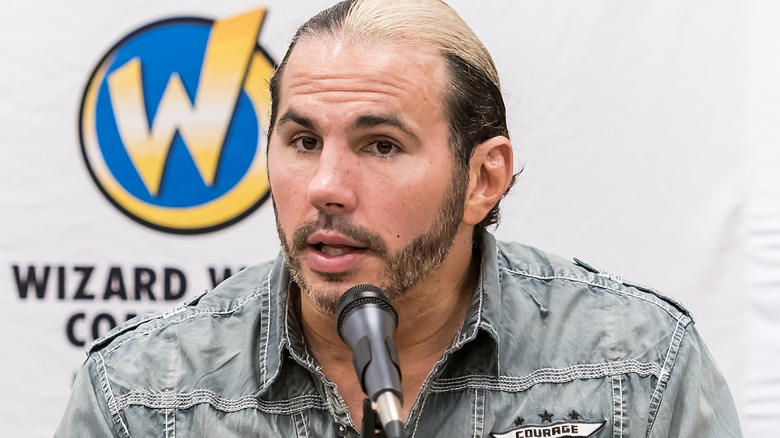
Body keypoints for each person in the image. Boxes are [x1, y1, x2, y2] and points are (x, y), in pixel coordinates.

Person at [56, 0, 742, 436]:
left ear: (483, 178)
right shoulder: (144, 392)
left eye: (380, 145)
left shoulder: (638, 366)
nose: (326, 186)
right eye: (301, 142)